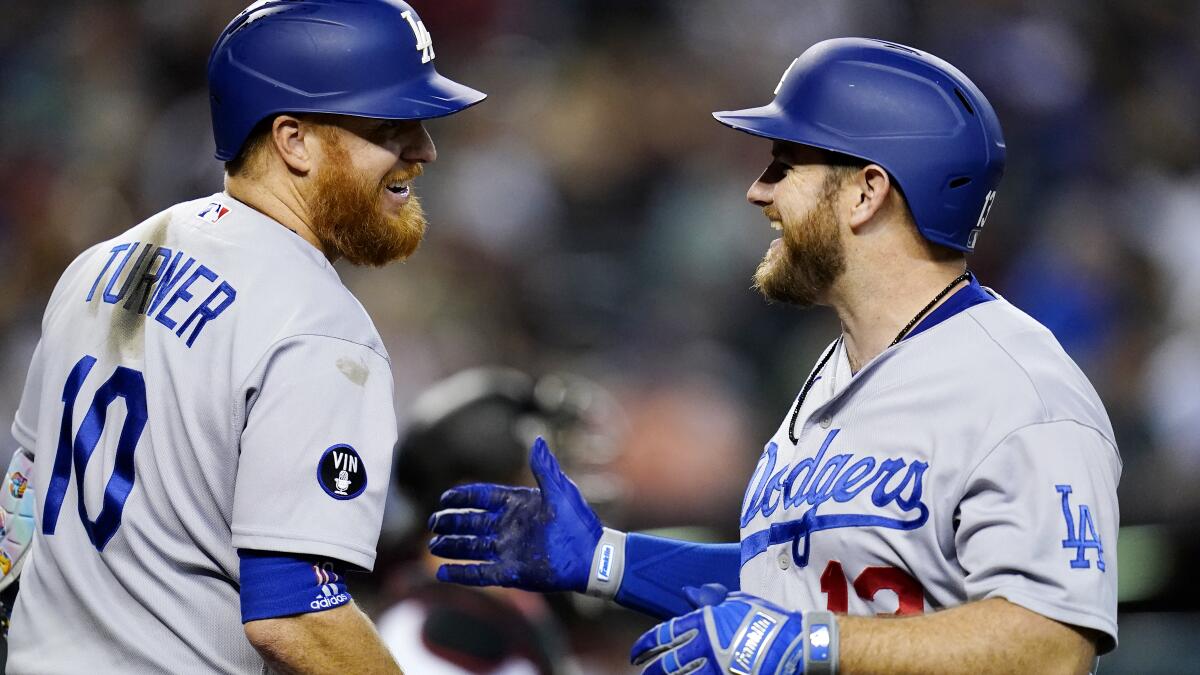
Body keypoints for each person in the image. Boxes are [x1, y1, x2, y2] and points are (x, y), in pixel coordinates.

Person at [428, 38, 1119, 675]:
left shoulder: (1020, 387)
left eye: (784, 165)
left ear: (867, 191)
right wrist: (611, 559)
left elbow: (1052, 643)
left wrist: (813, 643)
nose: (757, 190)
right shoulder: (830, 377)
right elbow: (790, 585)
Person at [0, 1, 483, 672]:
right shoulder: (320, 329)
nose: (424, 150)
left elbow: (18, 505)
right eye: (389, 125)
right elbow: (293, 616)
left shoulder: (101, 263)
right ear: (294, 139)